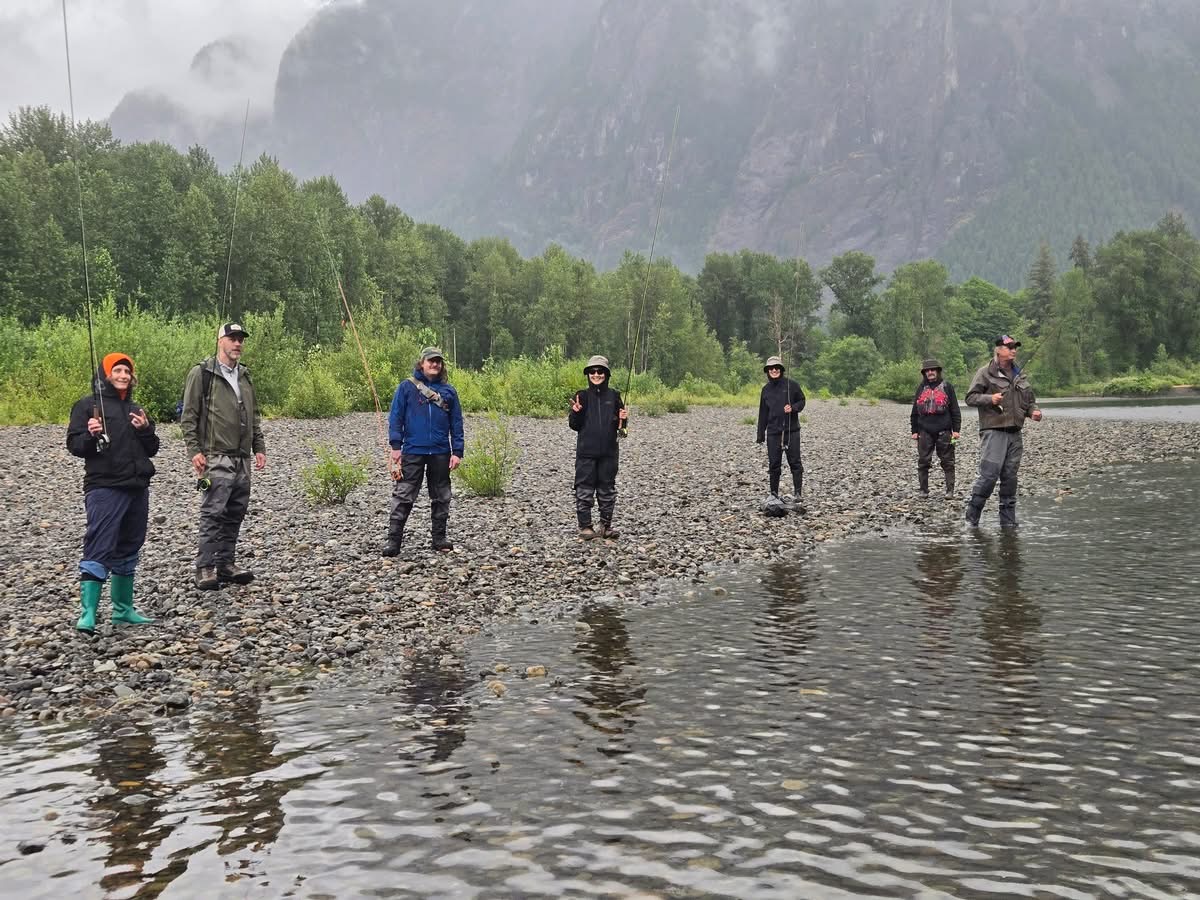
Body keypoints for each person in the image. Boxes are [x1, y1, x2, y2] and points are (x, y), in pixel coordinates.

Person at [66, 352, 160, 631]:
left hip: (137, 486)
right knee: (100, 543)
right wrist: (90, 434)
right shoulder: (86, 407)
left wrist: (145, 429)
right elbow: (75, 446)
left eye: (126, 372)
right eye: (117, 371)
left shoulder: (137, 408)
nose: (122, 376)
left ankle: (122, 610)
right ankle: (88, 613)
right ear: (105, 374)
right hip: (104, 486)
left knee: (130, 544)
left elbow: (152, 448)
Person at [180, 322, 267, 590]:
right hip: (215, 455)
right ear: (220, 341)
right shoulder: (202, 373)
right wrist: (194, 451)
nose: (238, 343)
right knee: (212, 512)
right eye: (232, 338)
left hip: (242, 457)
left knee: (236, 511)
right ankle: (204, 567)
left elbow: (253, 415)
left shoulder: (245, 376)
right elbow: (188, 417)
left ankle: (226, 564)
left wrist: (259, 447)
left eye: (240, 339)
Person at [383, 346, 464, 555]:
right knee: (403, 495)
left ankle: (439, 538)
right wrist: (395, 446)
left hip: (440, 451)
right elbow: (396, 418)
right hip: (412, 450)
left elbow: (456, 423)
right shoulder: (406, 388)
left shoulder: (449, 391)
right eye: (431, 360)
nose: (435, 364)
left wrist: (457, 451)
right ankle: (393, 542)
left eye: (438, 361)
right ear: (422, 363)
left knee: (441, 496)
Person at [964, 335, 1042, 527]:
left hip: (1015, 433)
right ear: (998, 350)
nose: (1013, 350)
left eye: (1015, 347)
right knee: (989, 476)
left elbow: (1030, 401)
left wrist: (1034, 412)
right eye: (1009, 347)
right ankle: (971, 520)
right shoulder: (985, 372)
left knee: (1010, 478)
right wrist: (990, 399)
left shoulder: (1020, 375)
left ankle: (1008, 524)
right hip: (994, 431)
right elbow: (970, 398)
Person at [568, 355, 628, 539]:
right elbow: (574, 425)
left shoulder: (615, 396)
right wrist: (576, 412)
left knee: (607, 489)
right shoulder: (581, 396)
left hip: (609, 453)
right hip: (586, 452)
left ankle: (605, 526)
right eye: (592, 371)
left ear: (606, 374)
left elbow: (622, 427)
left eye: (600, 371)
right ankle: (585, 527)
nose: (596, 374)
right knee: (584, 489)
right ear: (588, 374)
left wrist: (624, 420)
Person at [756, 355, 806, 509]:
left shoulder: (792, 385)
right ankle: (774, 493)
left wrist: (793, 408)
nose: (774, 370)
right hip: (773, 433)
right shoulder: (765, 390)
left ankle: (798, 493)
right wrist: (760, 434)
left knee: (795, 462)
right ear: (768, 371)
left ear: (781, 370)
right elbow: (763, 413)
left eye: (777, 367)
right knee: (774, 465)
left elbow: (802, 400)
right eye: (771, 368)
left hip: (791, 431)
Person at [909, 358, 961, 498]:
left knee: (948, 462)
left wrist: (956, 430)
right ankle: (923, 490)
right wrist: (914, 430)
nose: (930, 372)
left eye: (933, 370)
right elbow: (914, 411)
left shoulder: (947, 387)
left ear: (938, 371)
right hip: (924, 430)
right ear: (924, 373)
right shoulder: (921, 388)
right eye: (927, 370)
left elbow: (955, 410)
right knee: (923, 461)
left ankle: (950, 491)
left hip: (944, 430)